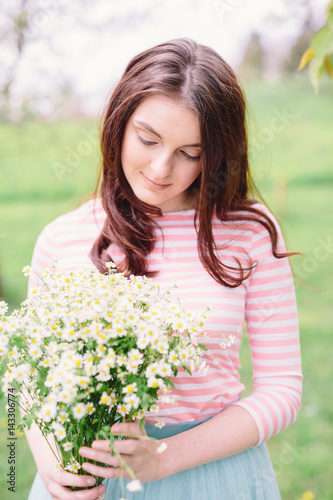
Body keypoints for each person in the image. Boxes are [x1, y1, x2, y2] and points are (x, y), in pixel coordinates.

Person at [26, 37, 302, 500]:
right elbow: (29, 382)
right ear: (119, 122)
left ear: (215, 153)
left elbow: (282, 389)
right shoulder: (63, 237)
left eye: (190, 153)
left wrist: (163, 457)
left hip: (213, 474)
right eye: (147, 139)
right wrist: (48, 459)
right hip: (89, 477)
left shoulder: (247, 232)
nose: (160, 167)